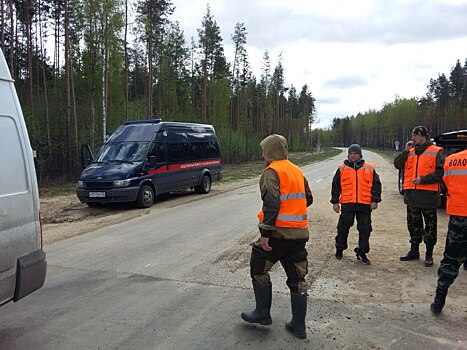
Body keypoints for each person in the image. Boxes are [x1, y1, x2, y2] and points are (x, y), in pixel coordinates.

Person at [241, 134, 313, 339]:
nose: (262, 154)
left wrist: (266, 233)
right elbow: (308, 198)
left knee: (258, 267)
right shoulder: (296, 170)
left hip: (278, 234)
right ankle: (299, 326)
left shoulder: (271, 172)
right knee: (298, 278)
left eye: (264, 150)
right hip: (300, 234)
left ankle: (262, 313)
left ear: (269, 151)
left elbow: (271, 204)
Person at [394, 126, 444, 267]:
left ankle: (429, 255)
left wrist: (423, 180)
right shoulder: (410, 152)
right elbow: (397, 164)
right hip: (412, 197)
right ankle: (414, 251)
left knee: (430, 227)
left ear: (422, 136)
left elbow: (440, 173)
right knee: (414, 226)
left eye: (415, 135)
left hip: (428, 197)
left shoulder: (436, 152)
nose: (412, 138)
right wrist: (405, 150)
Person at [330, 144, 382, 265]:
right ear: (348, 154)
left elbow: (376, 185)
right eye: (351, 153)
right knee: (343, 228)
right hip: (348, 204)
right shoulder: (342, 168)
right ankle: (339, 249)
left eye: (355, 153)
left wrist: (375, 200)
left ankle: (362, 253)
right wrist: (335, 202)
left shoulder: (369, 168)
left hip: (364, 205)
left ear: (360, 154)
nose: (353, 156)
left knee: (365, 229)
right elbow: (335, 186)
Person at [431, 148, 467, 314]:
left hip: (459, 216)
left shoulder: (452, 160)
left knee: (451, 259)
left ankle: (439, 300)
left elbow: (445, 182)